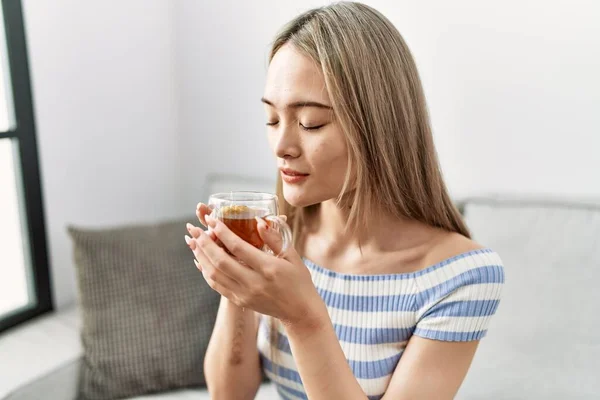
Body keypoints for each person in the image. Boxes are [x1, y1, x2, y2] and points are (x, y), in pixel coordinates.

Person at [184, 2, 505, 399]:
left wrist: (303, 317)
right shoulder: (282, 235)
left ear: (378, 124)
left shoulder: (461, 276)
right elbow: (229, 394)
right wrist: (237, 286)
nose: (281, 145)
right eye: (271, 120)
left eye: (309, 123)